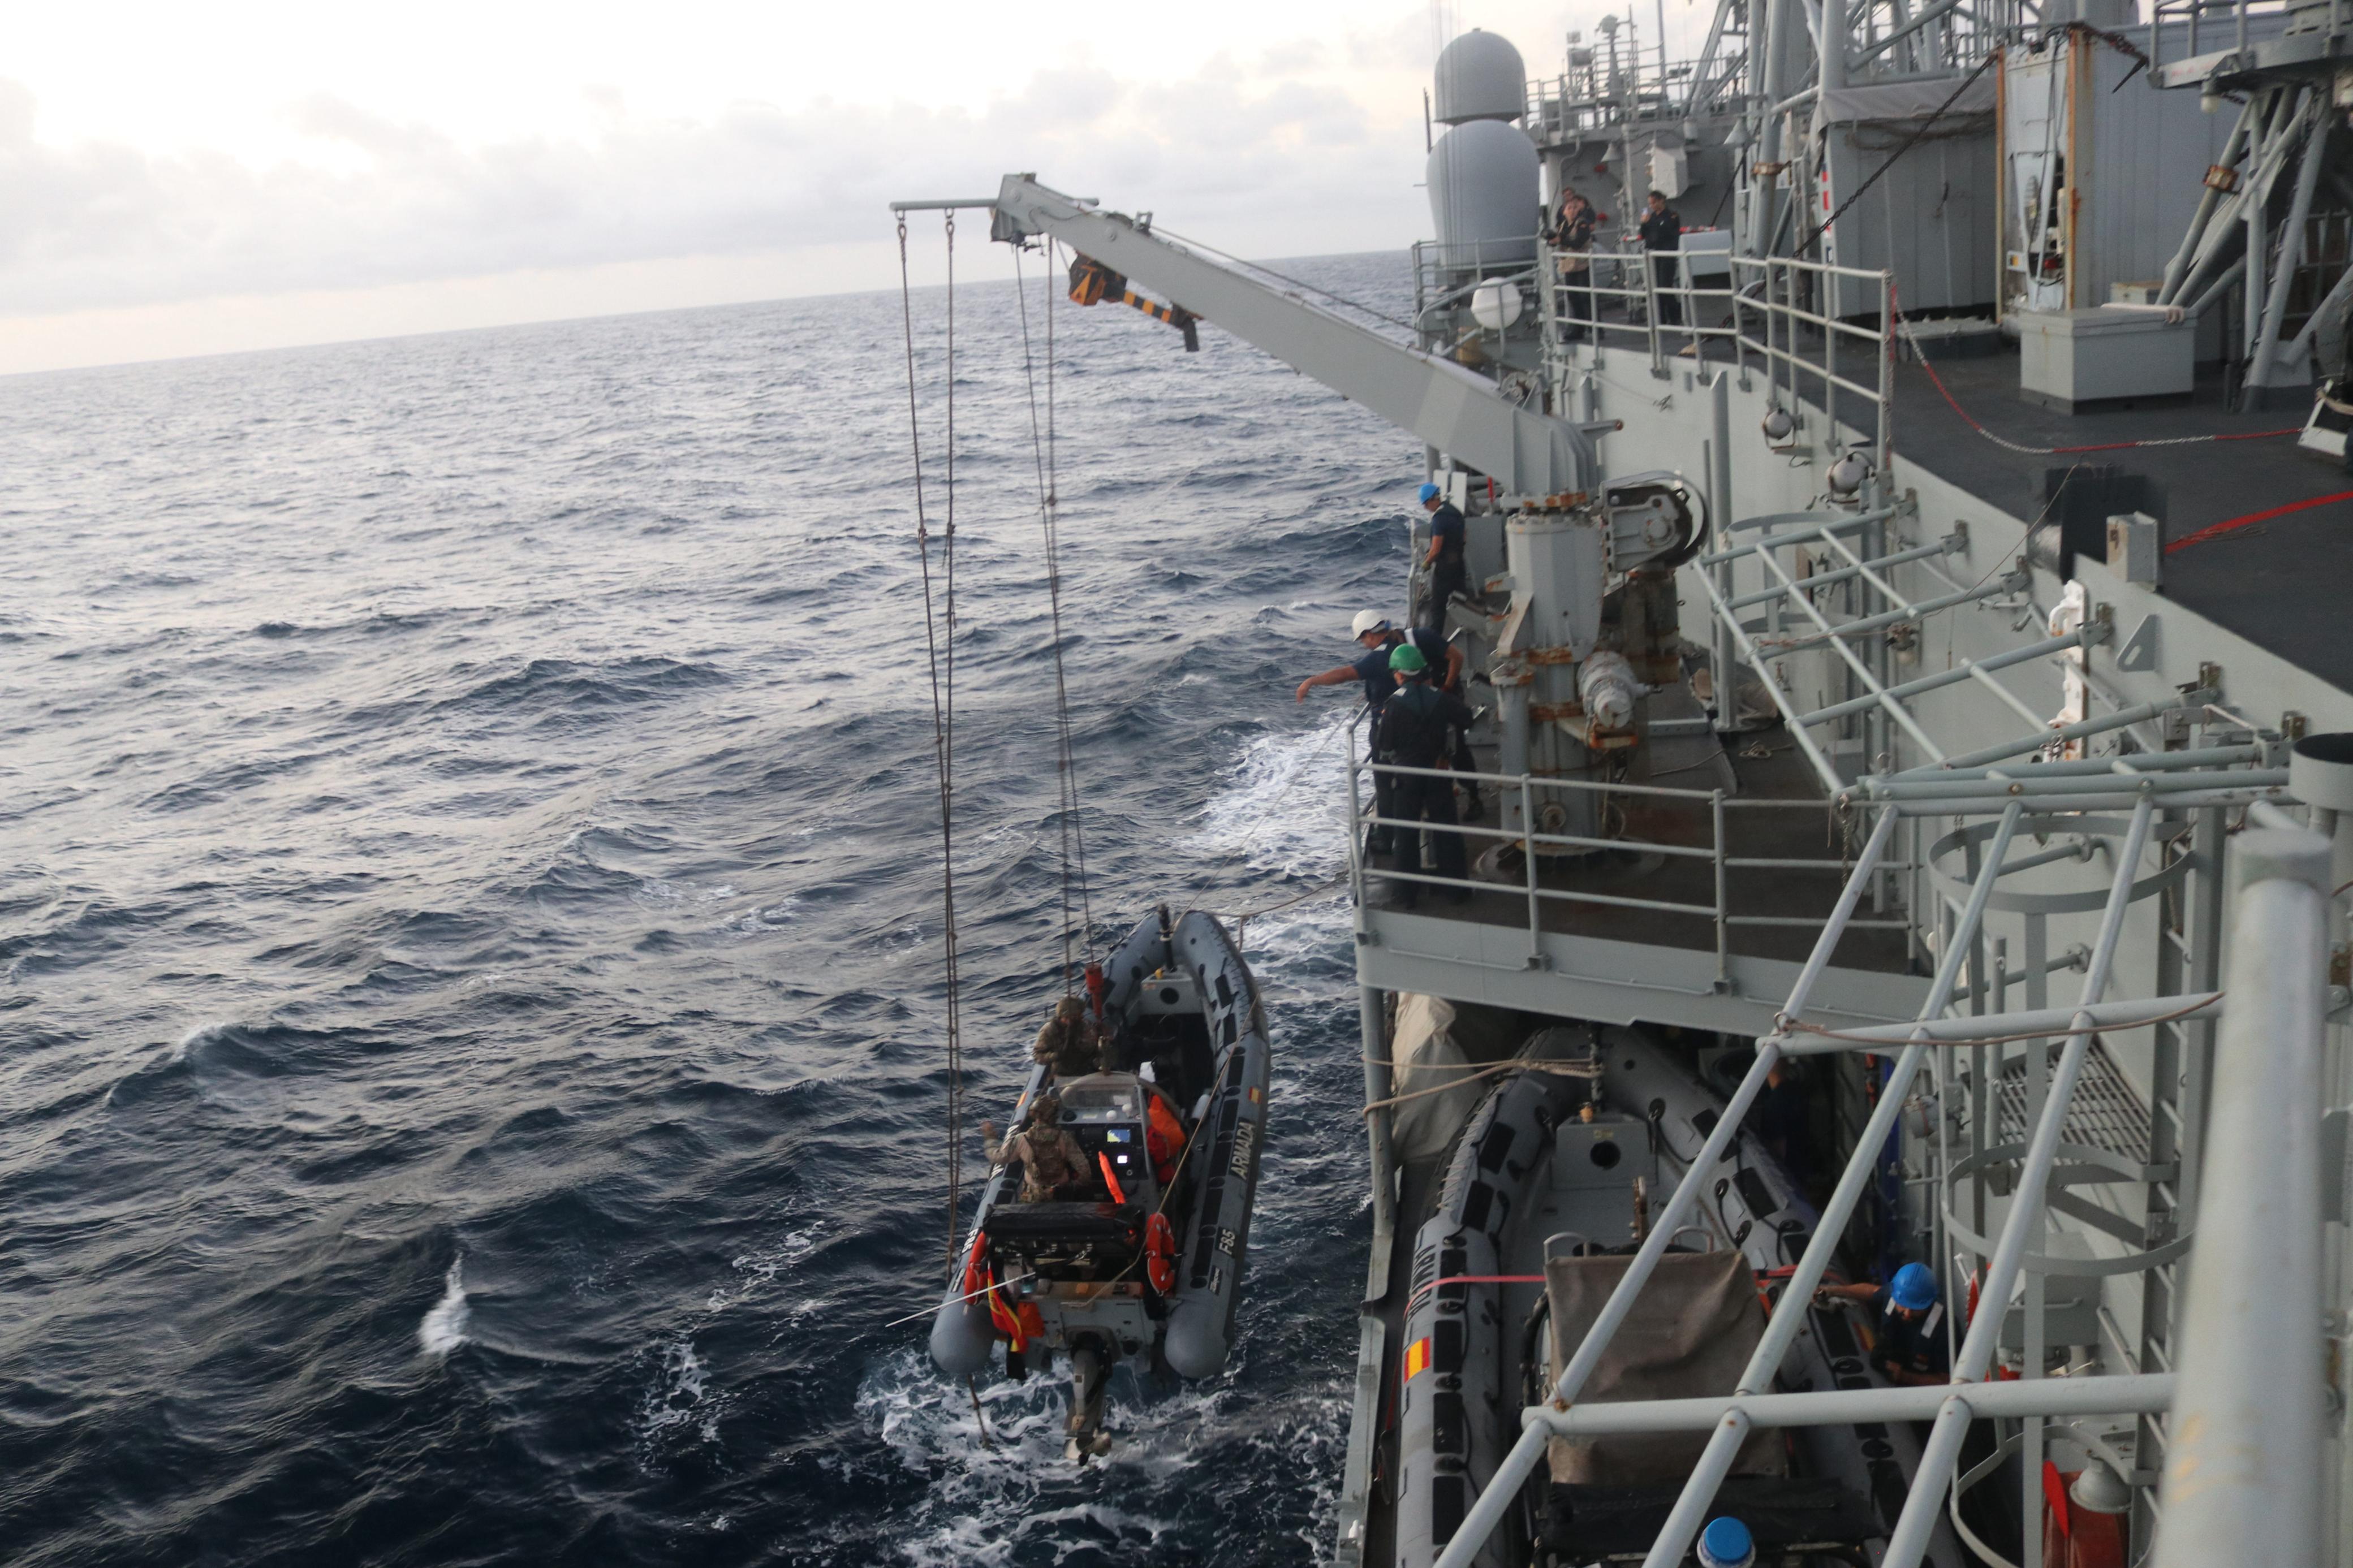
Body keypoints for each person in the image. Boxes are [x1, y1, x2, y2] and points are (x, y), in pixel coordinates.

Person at [1296, 612, 1484, 824]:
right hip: (1436, 705)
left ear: (1368, 634)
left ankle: (1394, 824)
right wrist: (1443, 694)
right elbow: (1456, 659)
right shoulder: (1417, 638)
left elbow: (1346, 674)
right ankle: (1467, 798)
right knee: (1451, 749)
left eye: (1362, 640)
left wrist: (1312, 681)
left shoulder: (1387, 654)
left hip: (1426, 707)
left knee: (1400, 767)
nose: (1364, 645)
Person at [1376, 642, 1477, 906]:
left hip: (1407, 778)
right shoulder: (1440, 698)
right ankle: (1456, 891)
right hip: (1437, 772)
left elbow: (1384, 746)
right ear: (1421, 671)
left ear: (1399, 674)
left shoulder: (1393, 705)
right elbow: (1467, 719)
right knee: (1446, 830)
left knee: (1406, 834)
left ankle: (1406, 895)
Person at [1817, 1262, 1950, 1386]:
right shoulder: (1894, 1293)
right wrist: (1832, 1291)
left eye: (1916, 1309)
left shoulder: (1944, 1329)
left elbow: (1946, 1379)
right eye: (1903, 1305)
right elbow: (1871, 1292)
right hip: (1889, 1356)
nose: (1908, 1313)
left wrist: (1905, 1376)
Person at [982, 1091, 1090, 1204]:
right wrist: (1073, 1187)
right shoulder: (1065, 1138)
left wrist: (990, 1139)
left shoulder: (1022, 1139)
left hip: (1033, 1198)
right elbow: (1084, 1170)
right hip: (1061, 1194)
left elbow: (1000, 1158)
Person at [1544, 188, 1605, 340]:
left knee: (1586, 297)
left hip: (1582, 265)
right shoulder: (1564, 226)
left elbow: (1578, 242)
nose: (1571, 211)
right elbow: (1560, 240)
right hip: (1569, 266)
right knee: (1573, 297)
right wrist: (1552, 240)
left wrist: (1561, 240)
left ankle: (1597, 328)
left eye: (1574, 208)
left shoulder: (1582, 224)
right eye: (1569, 208)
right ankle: (1578, 329)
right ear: (1564, 212)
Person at [1419, 482, 1468, 632]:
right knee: (1462, 600)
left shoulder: (1439, 519)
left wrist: (1426, 563)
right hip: (1459, 564)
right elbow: (1465, 536)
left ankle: (1435, 638)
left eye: (1426, 505)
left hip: (1445, 569)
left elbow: (1435, 549)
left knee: (1437, 607)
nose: (1426, 508)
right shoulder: (1454, 511)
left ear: (1432, 500)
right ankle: (1468, 627)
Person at [1639, 189, 1684, 329]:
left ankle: (1675, 314)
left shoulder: (1672, 216)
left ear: (1661, 201)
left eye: (1653, 203)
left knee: (1665, 285)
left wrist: (1652, 224)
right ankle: (1661, 318)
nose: (1651, 206)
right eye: (1650, 204)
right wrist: (1644, 224)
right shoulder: (1651, 218)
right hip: (1654, 254)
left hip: (1667, 253)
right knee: (1656, 286)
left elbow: (1668, 231)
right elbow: (1643, 234)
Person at [1032, 995, 1101, 1079]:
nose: (1081, 1017)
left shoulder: (1085, 1025)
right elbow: (1037, 1055)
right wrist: (1055, 1056)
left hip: (1087, 1069)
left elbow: (1093, 1045)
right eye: (1077, 1015)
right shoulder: (1050, 1031)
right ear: (1066, 1016)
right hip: (1064, 1075)